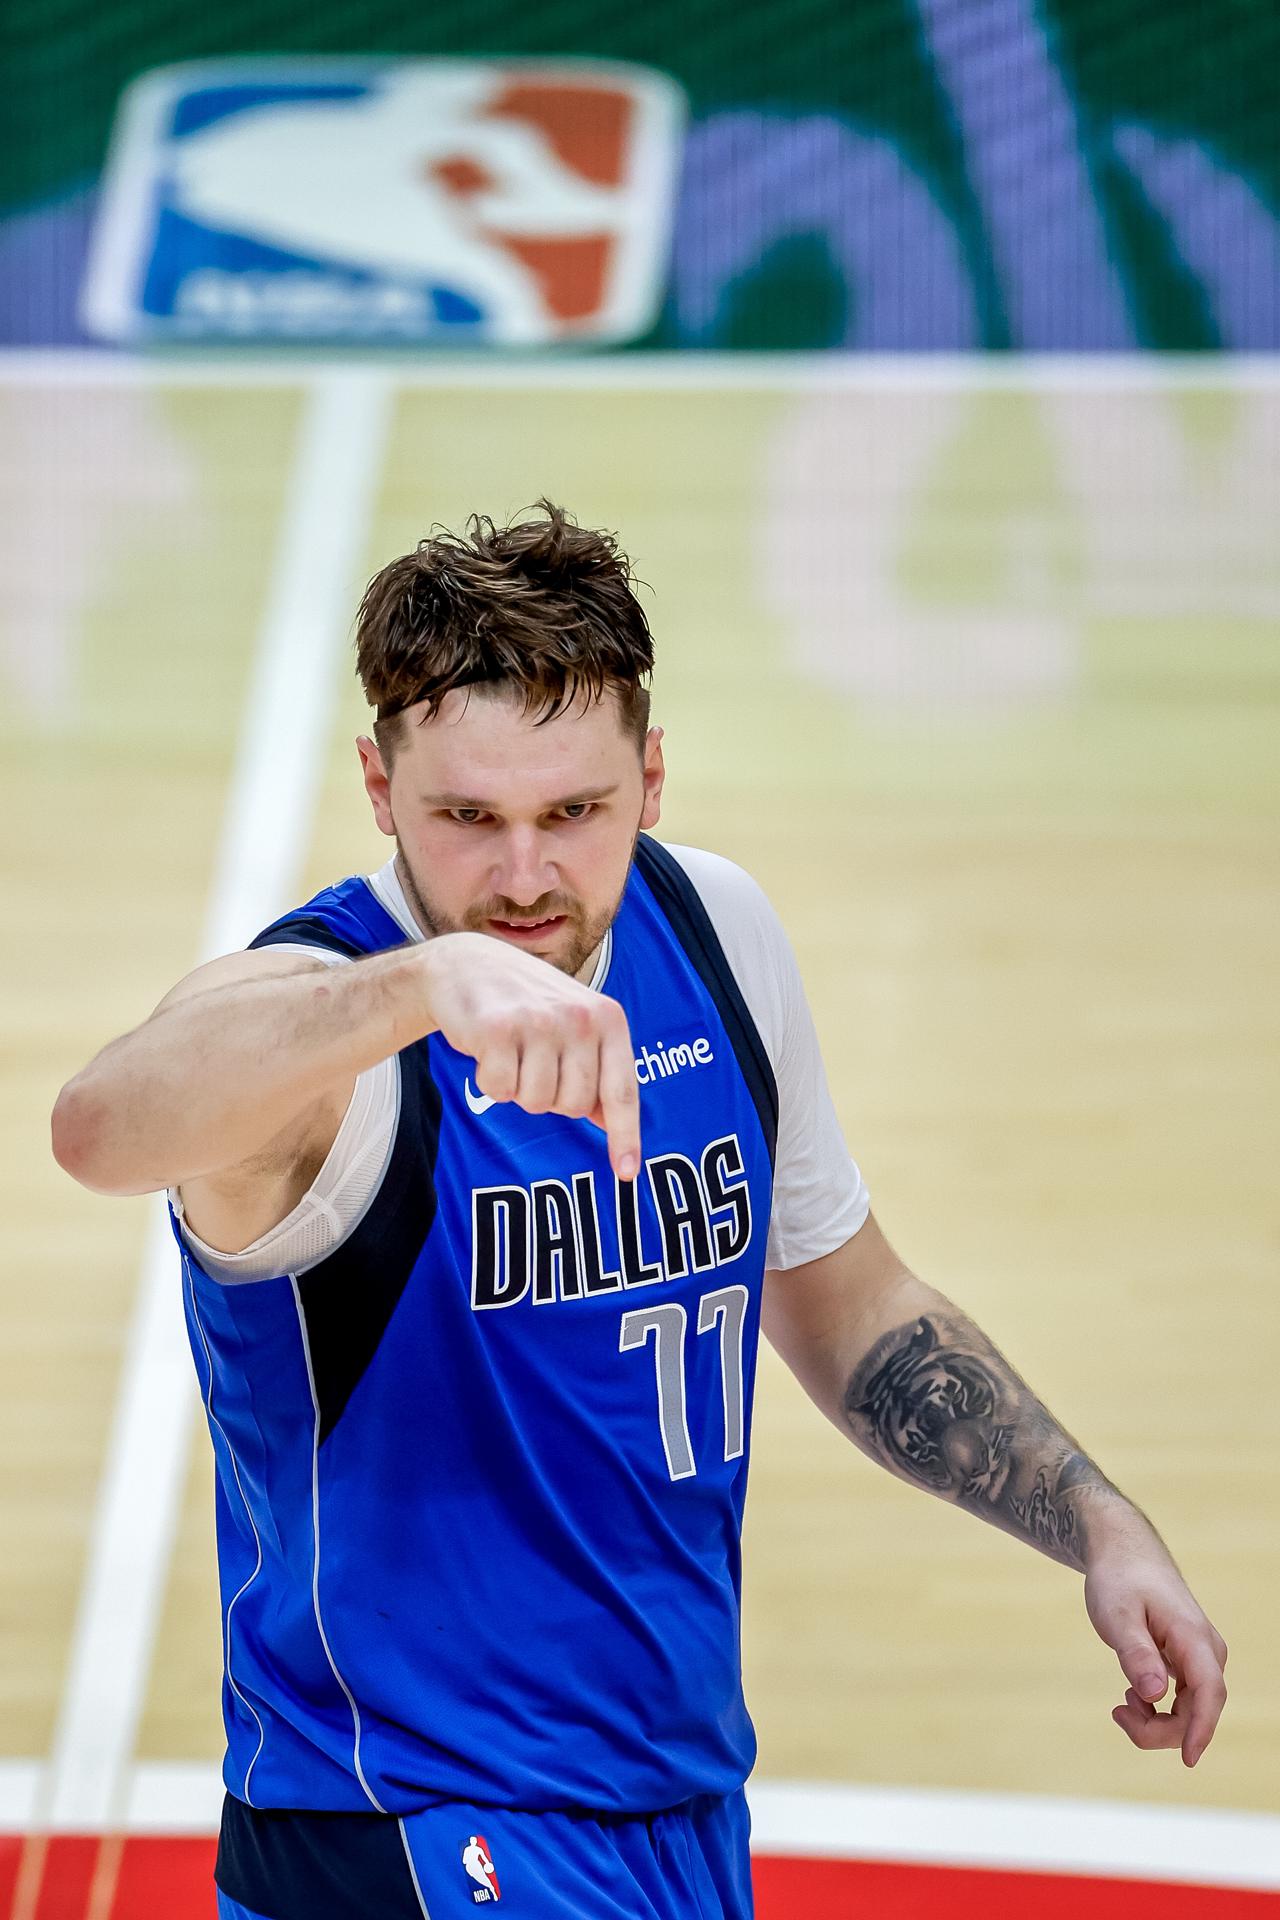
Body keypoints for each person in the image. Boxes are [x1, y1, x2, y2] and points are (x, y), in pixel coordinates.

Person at [52, 501, 1228, 1920]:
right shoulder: (328, 1021)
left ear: (653, 776)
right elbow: (102, 1126)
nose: (526, 875)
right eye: (468, 819)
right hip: (413, 1830)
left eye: (574, 813)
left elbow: (851, 1305)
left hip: (674, 1804)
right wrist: (417, 992)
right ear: (378, 785)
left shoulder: (713, 932)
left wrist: (1096, 1521)